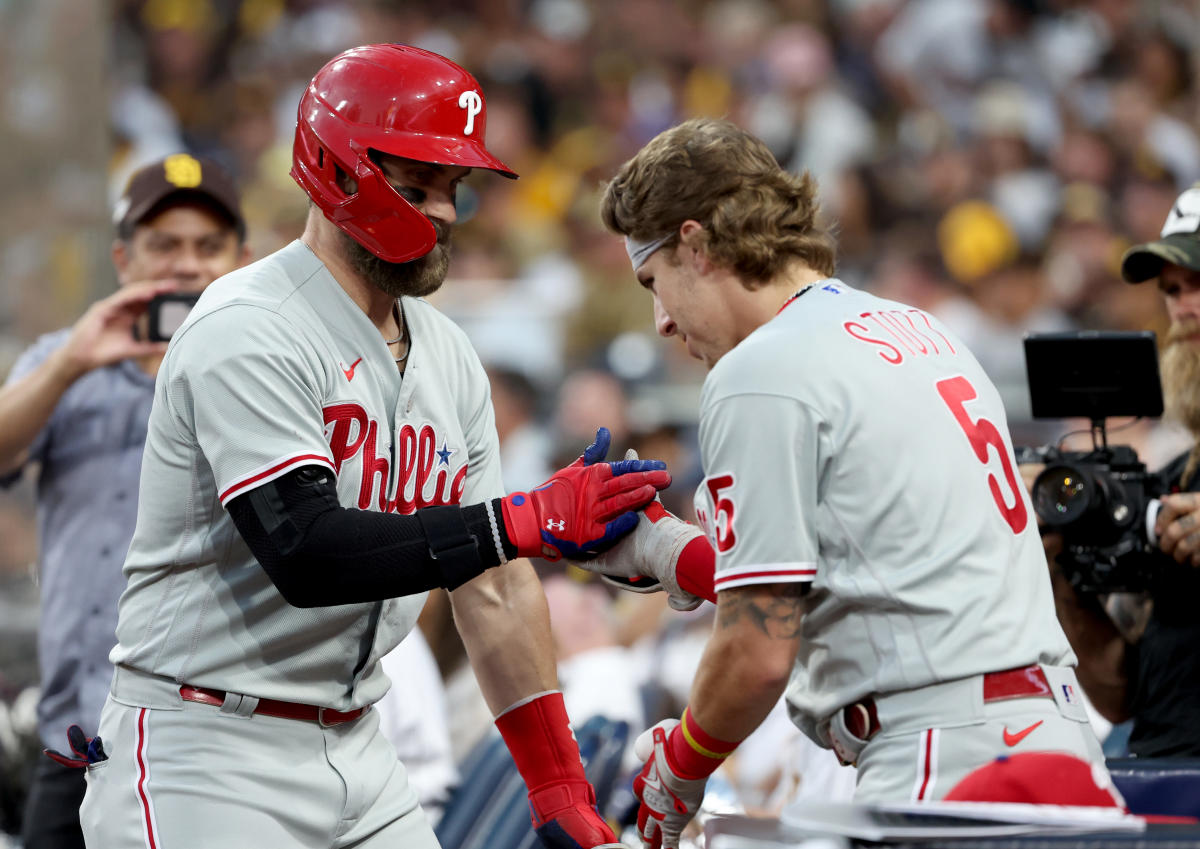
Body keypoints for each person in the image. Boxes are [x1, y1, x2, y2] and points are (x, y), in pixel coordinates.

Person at [74, 44, 669, 849]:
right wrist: (519, 519)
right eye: (419, 184)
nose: (446, 213)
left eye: (454, 189)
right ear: (337, 170)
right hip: (206, 743)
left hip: (359, 741)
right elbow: (306, 549)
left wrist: (556, 781)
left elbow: (491, 587)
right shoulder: (248, 324)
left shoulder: (450, 353)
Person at [587, 117, 1107, 849]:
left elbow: (759, 645)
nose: (661, 319)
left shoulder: (758, 370)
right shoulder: (917, 328)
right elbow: (876, 567)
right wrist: (670, 551)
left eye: (654, 279)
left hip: (945, 763)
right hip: (1052, 741)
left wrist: (681, 764)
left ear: (696, 244)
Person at [0, 153, 250, 849]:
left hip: (215, 742)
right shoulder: (65, 360)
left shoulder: (266, 375)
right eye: (164, 245)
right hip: (78, 738)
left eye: (208, 246)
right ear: (123, 258)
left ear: (244, 259)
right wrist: (71, 363)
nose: (187, 265)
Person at [1040, 180, 1200, 759]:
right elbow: (1121, 694)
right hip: (1160, 775)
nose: (1183, 307)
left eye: (1199, 284)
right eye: (1173, 289)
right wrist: (1062, 575)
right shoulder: (1177, 477)